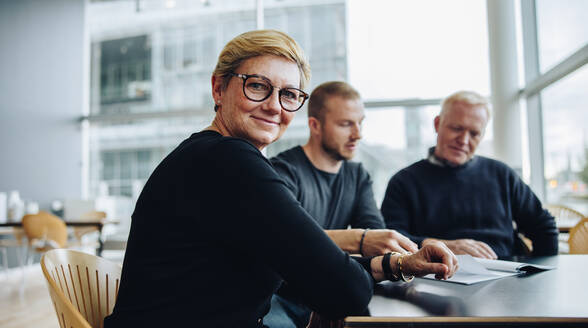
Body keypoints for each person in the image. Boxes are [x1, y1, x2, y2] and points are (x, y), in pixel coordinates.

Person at [104, 30, 458, 328]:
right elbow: (344, 290)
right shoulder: (228, 160)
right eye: (257, 86)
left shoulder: (209, 158)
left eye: (288, 94)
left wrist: (399, 264)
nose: (275, 106)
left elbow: (305, 264)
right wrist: (362, 268)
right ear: (218, 89)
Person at [266, 81, 417, 327]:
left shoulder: (357, 175)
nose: (357, 134)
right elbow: (284, 242)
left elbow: (375, 239)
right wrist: (359, 240)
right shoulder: (282, 172)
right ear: (315, 125)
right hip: (282, 297)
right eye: (346, 124)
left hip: (333, 290)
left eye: (360, 123)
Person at [381, 90, 558, 260]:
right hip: (437, 276)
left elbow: (543, 227)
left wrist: (539, 274)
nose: (464, 140)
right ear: (437, 124)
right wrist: (440, 246)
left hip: (505, 274)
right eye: (457, 128)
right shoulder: (404, 182)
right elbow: (390, 241)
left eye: (474, 133)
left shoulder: (502, 175)